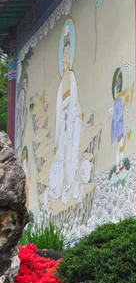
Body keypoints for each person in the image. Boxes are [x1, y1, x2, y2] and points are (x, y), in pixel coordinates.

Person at [48, 24, 82, 204]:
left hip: (73, 125)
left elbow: (75, 104)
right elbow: (57, 112)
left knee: (72, 154)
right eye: (64, 56)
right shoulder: (61, 85)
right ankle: (61, 189)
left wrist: (73, 116)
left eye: (68, 55)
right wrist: (56, 139)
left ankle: (71, 185)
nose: (66, 59)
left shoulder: (73, 79)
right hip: (63, 128)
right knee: (62, 157)